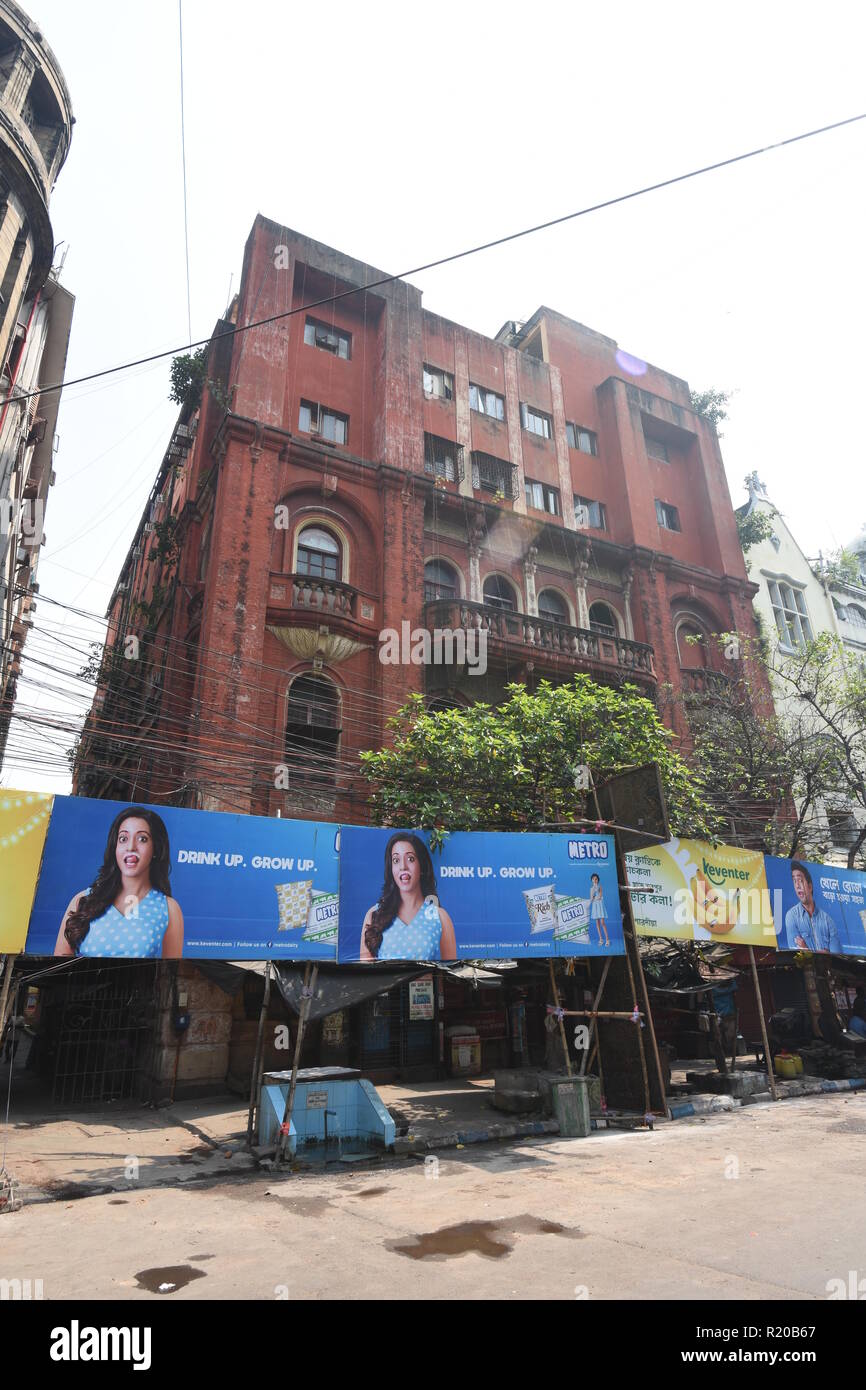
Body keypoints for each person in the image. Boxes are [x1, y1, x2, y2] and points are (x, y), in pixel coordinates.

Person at [53, 807, 184, 959]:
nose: (131, 847)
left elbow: (169, 975)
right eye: (123, 839)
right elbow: (58, 967)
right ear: (115, 847)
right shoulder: (82, 900)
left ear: (156, 848)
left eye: (142, 839)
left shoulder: (168, 909)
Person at [361, 832, 456, 961]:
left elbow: (449, 974)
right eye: (396, 860)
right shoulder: (374, 915)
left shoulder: (440, 917)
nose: (403, 867)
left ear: (422, 866)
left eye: (410, 859)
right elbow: (366, 976)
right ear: (391, 868)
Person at [784, 861, 842, 954]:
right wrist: (824, 952)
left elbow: (836, 955)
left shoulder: (827, 920)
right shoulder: (791, 916)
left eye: (800, 880)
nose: (797, 885)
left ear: (810, 886)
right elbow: (797, 953)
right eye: (794, 881)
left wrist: (807, 948)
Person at [589, 872, 610, 947]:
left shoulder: (600, 886)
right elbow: (591, 898)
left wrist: (595, 898)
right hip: (595, 906)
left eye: (596, 879)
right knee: (597, 923)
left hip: (600, 905)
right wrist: (591, 900)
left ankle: (607, 939)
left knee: (602, 923)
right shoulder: (591, 889)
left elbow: (600, 896)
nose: (595, 880)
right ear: (591, 880)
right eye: (593, 879)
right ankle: (601, 939)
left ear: (598, 880)